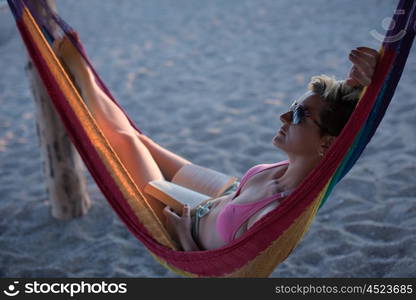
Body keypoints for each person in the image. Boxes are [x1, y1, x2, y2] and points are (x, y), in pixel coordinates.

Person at [54, 33, 379, 251]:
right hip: (226, 195)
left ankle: (80, 74)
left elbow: (226, 275)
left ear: (326, 144)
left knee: (122, 141)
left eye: (297, 116)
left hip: (188, 222)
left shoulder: (276, 215)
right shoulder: (299, 164)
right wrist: (362, 85)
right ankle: (82, 74)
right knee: (141, 140)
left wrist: (185, 239)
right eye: (292, 107)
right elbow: (345, 123)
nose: (283, 117)